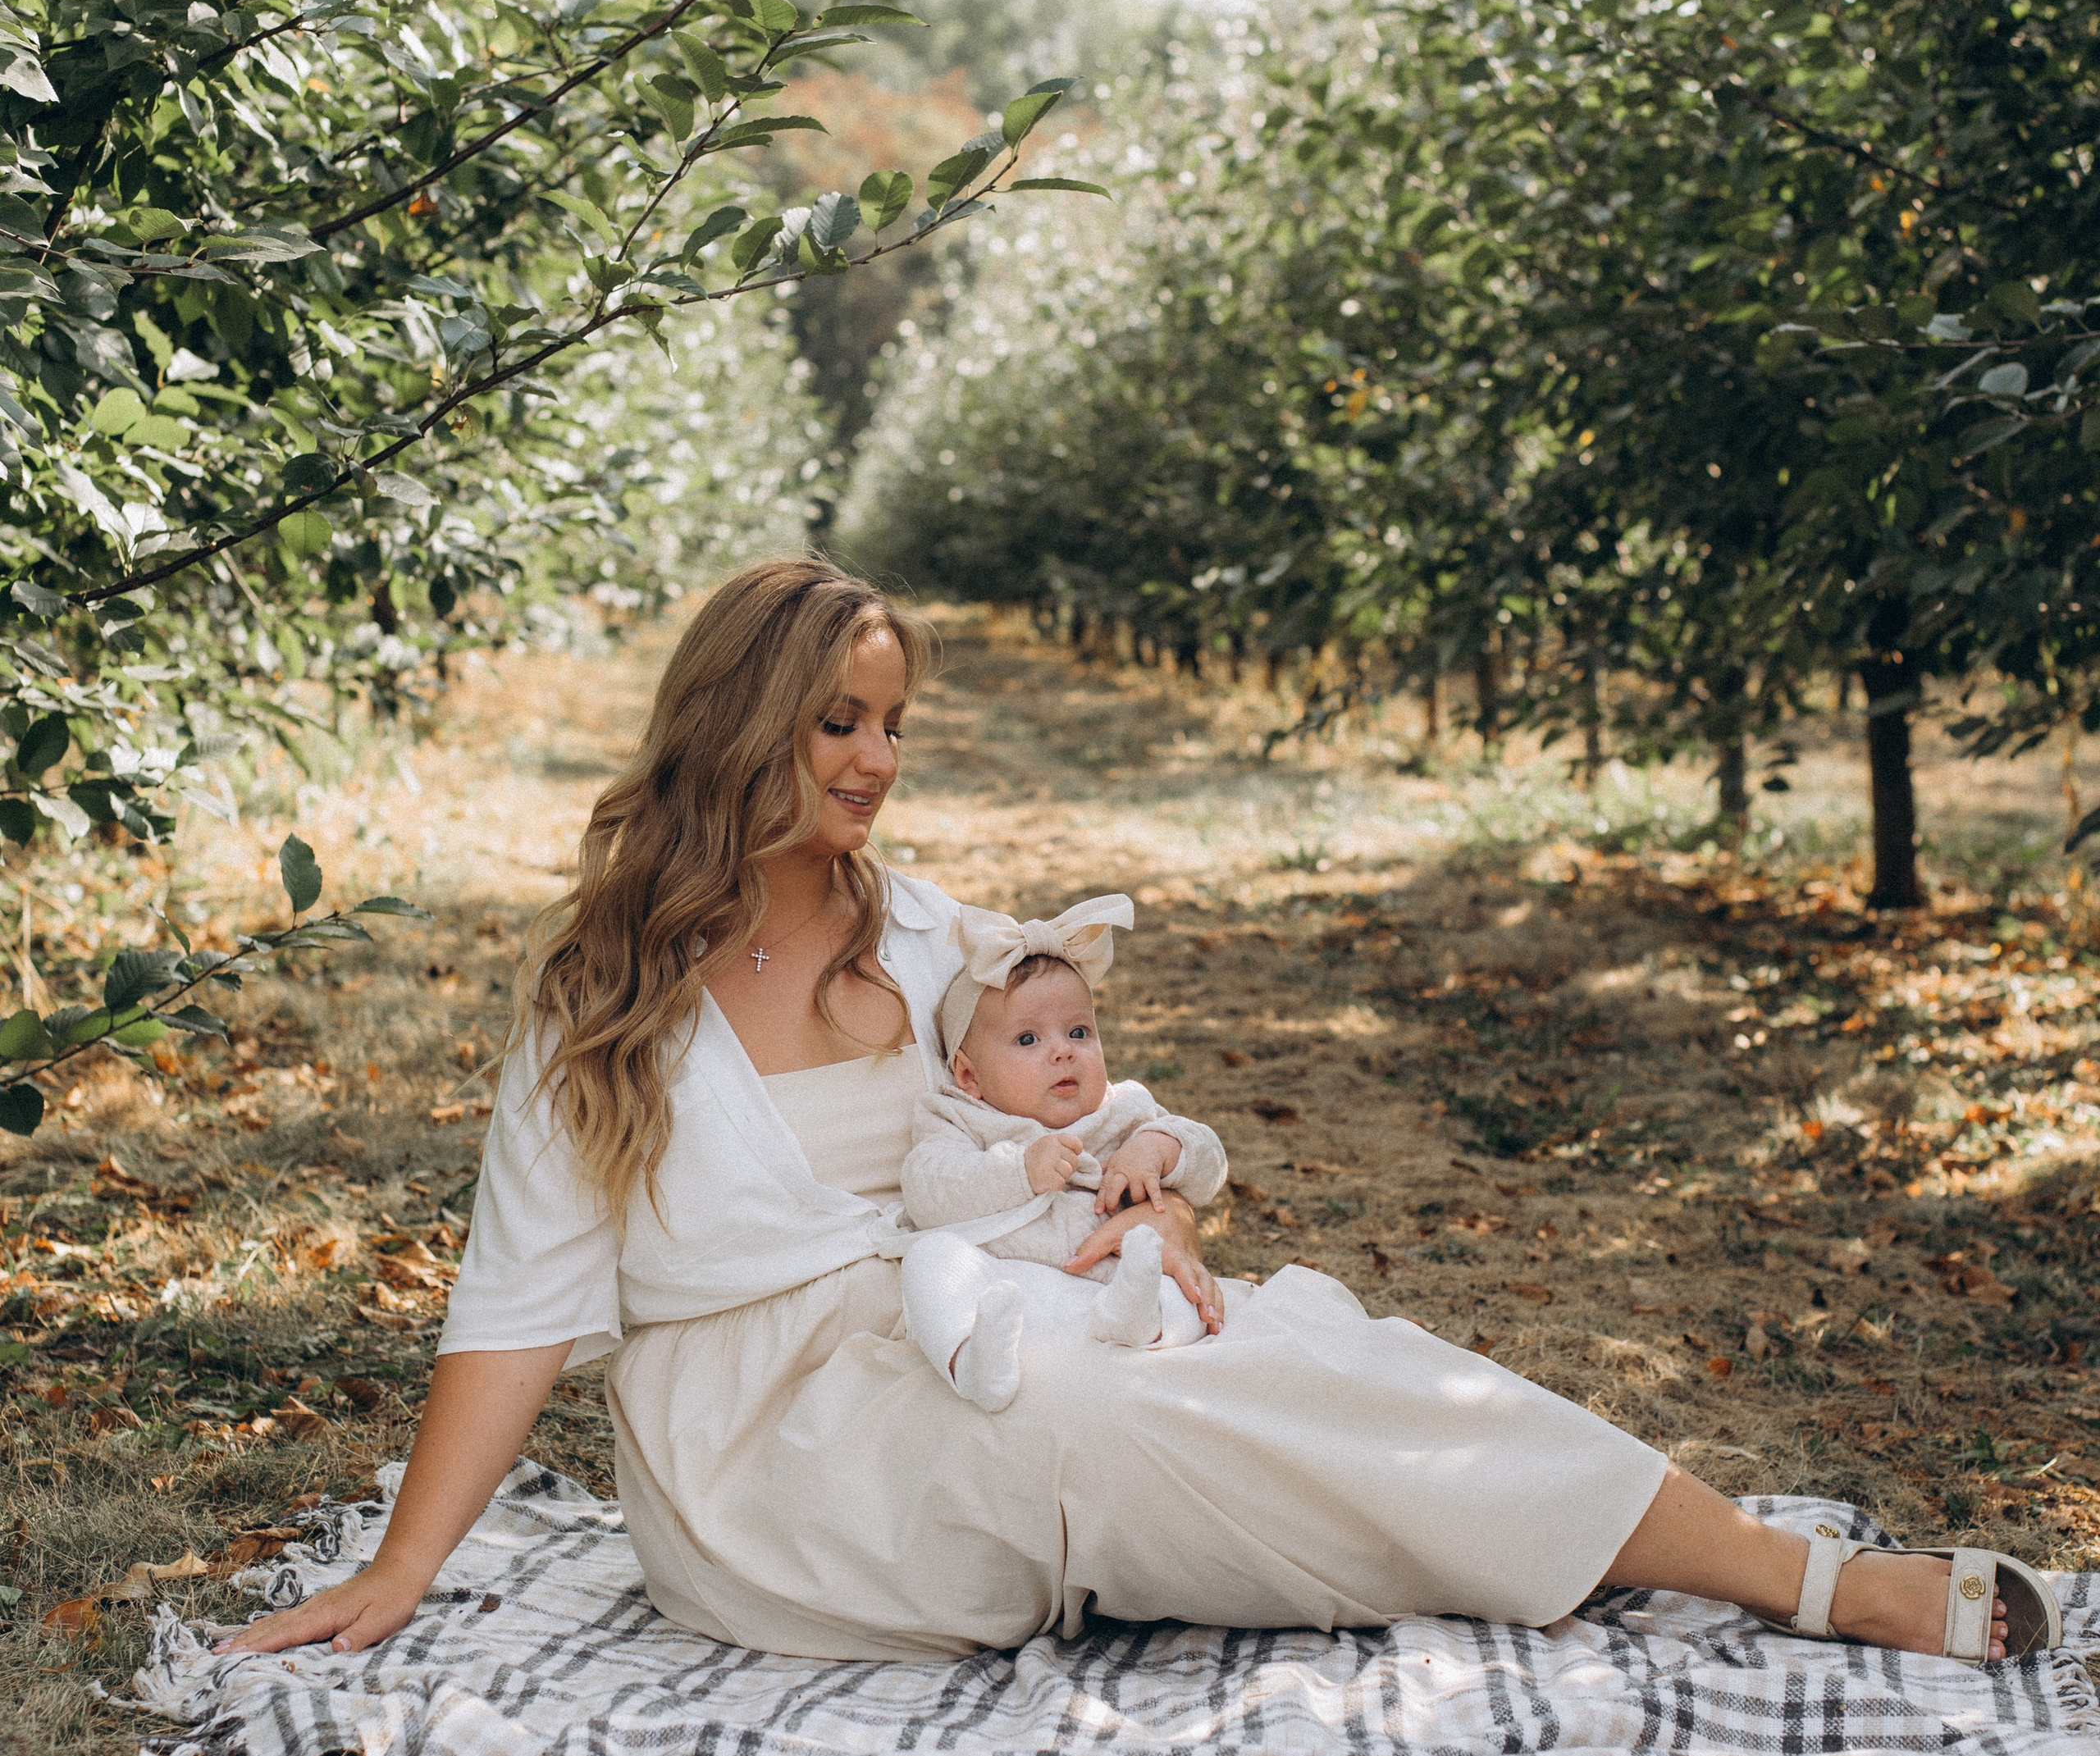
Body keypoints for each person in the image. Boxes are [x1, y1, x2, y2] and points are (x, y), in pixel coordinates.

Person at [235, 554, 2057, 1674]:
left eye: (889, 727)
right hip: (763, 1464)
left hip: (976, 1330)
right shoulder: (605, 1003)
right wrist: (408, 1564)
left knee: (1302, 1345)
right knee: (1122, 1416)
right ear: (735, 730)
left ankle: (1787, 1572)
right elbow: (512, 1309)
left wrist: (1155, 1211)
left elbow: (1075, 1114)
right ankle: (1760, 1574)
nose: (873, 761)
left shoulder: (929, 930)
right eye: (834, 727)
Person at [897, 893, 1223, 1411]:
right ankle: (974, 1362)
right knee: (929, 1263)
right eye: (1028, 1039)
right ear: (968, 1075)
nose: (1063, 1050)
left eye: (1079, 1032)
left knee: (1180, 1283)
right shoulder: (961, 1118)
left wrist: (1158, 1147)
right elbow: (928, 1189)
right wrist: (1019, 1172)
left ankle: (1139, 1321)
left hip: (1111, 1278)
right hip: (1006, 1287)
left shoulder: (1124, 1109)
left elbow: (1208, 1159)